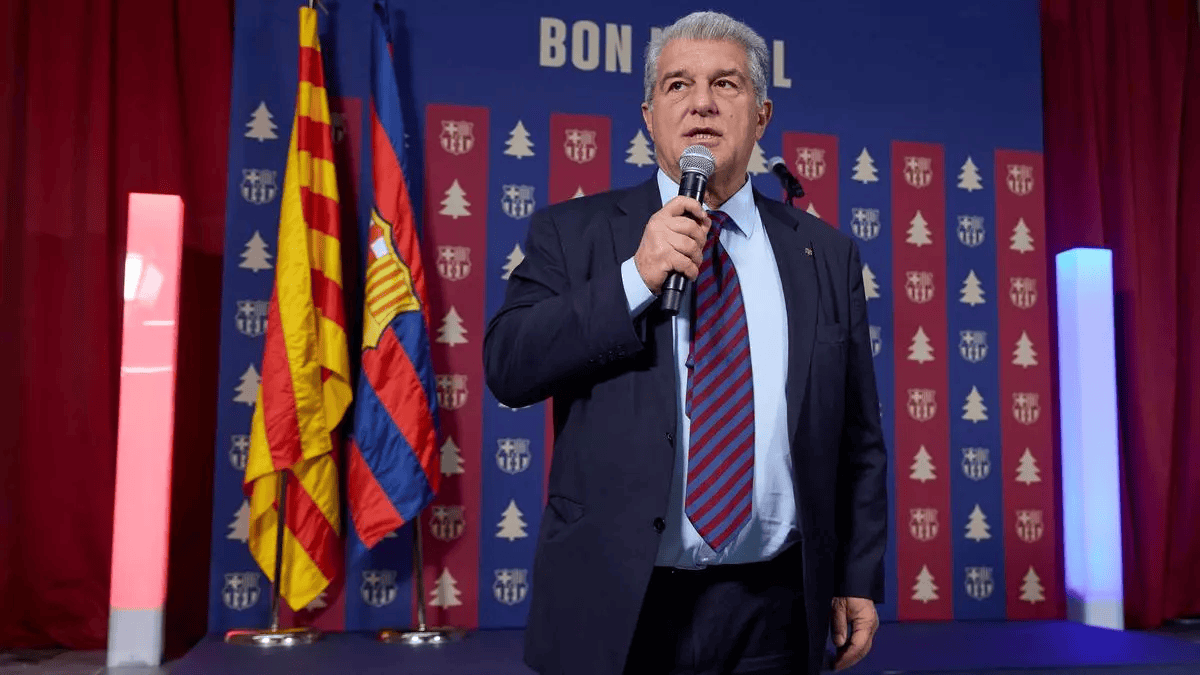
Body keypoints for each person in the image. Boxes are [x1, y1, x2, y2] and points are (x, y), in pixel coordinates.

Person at [484, 10, 887, 675]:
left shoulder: (825, 254)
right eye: (678, 85)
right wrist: (635, 279)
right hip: (616, 607)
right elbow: (509, 364)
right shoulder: (573, 233)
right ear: (650, 116)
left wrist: (857, 575)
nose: (702, 102)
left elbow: (858, 437)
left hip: (775, 610)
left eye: (726, 83)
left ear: (761, 115)